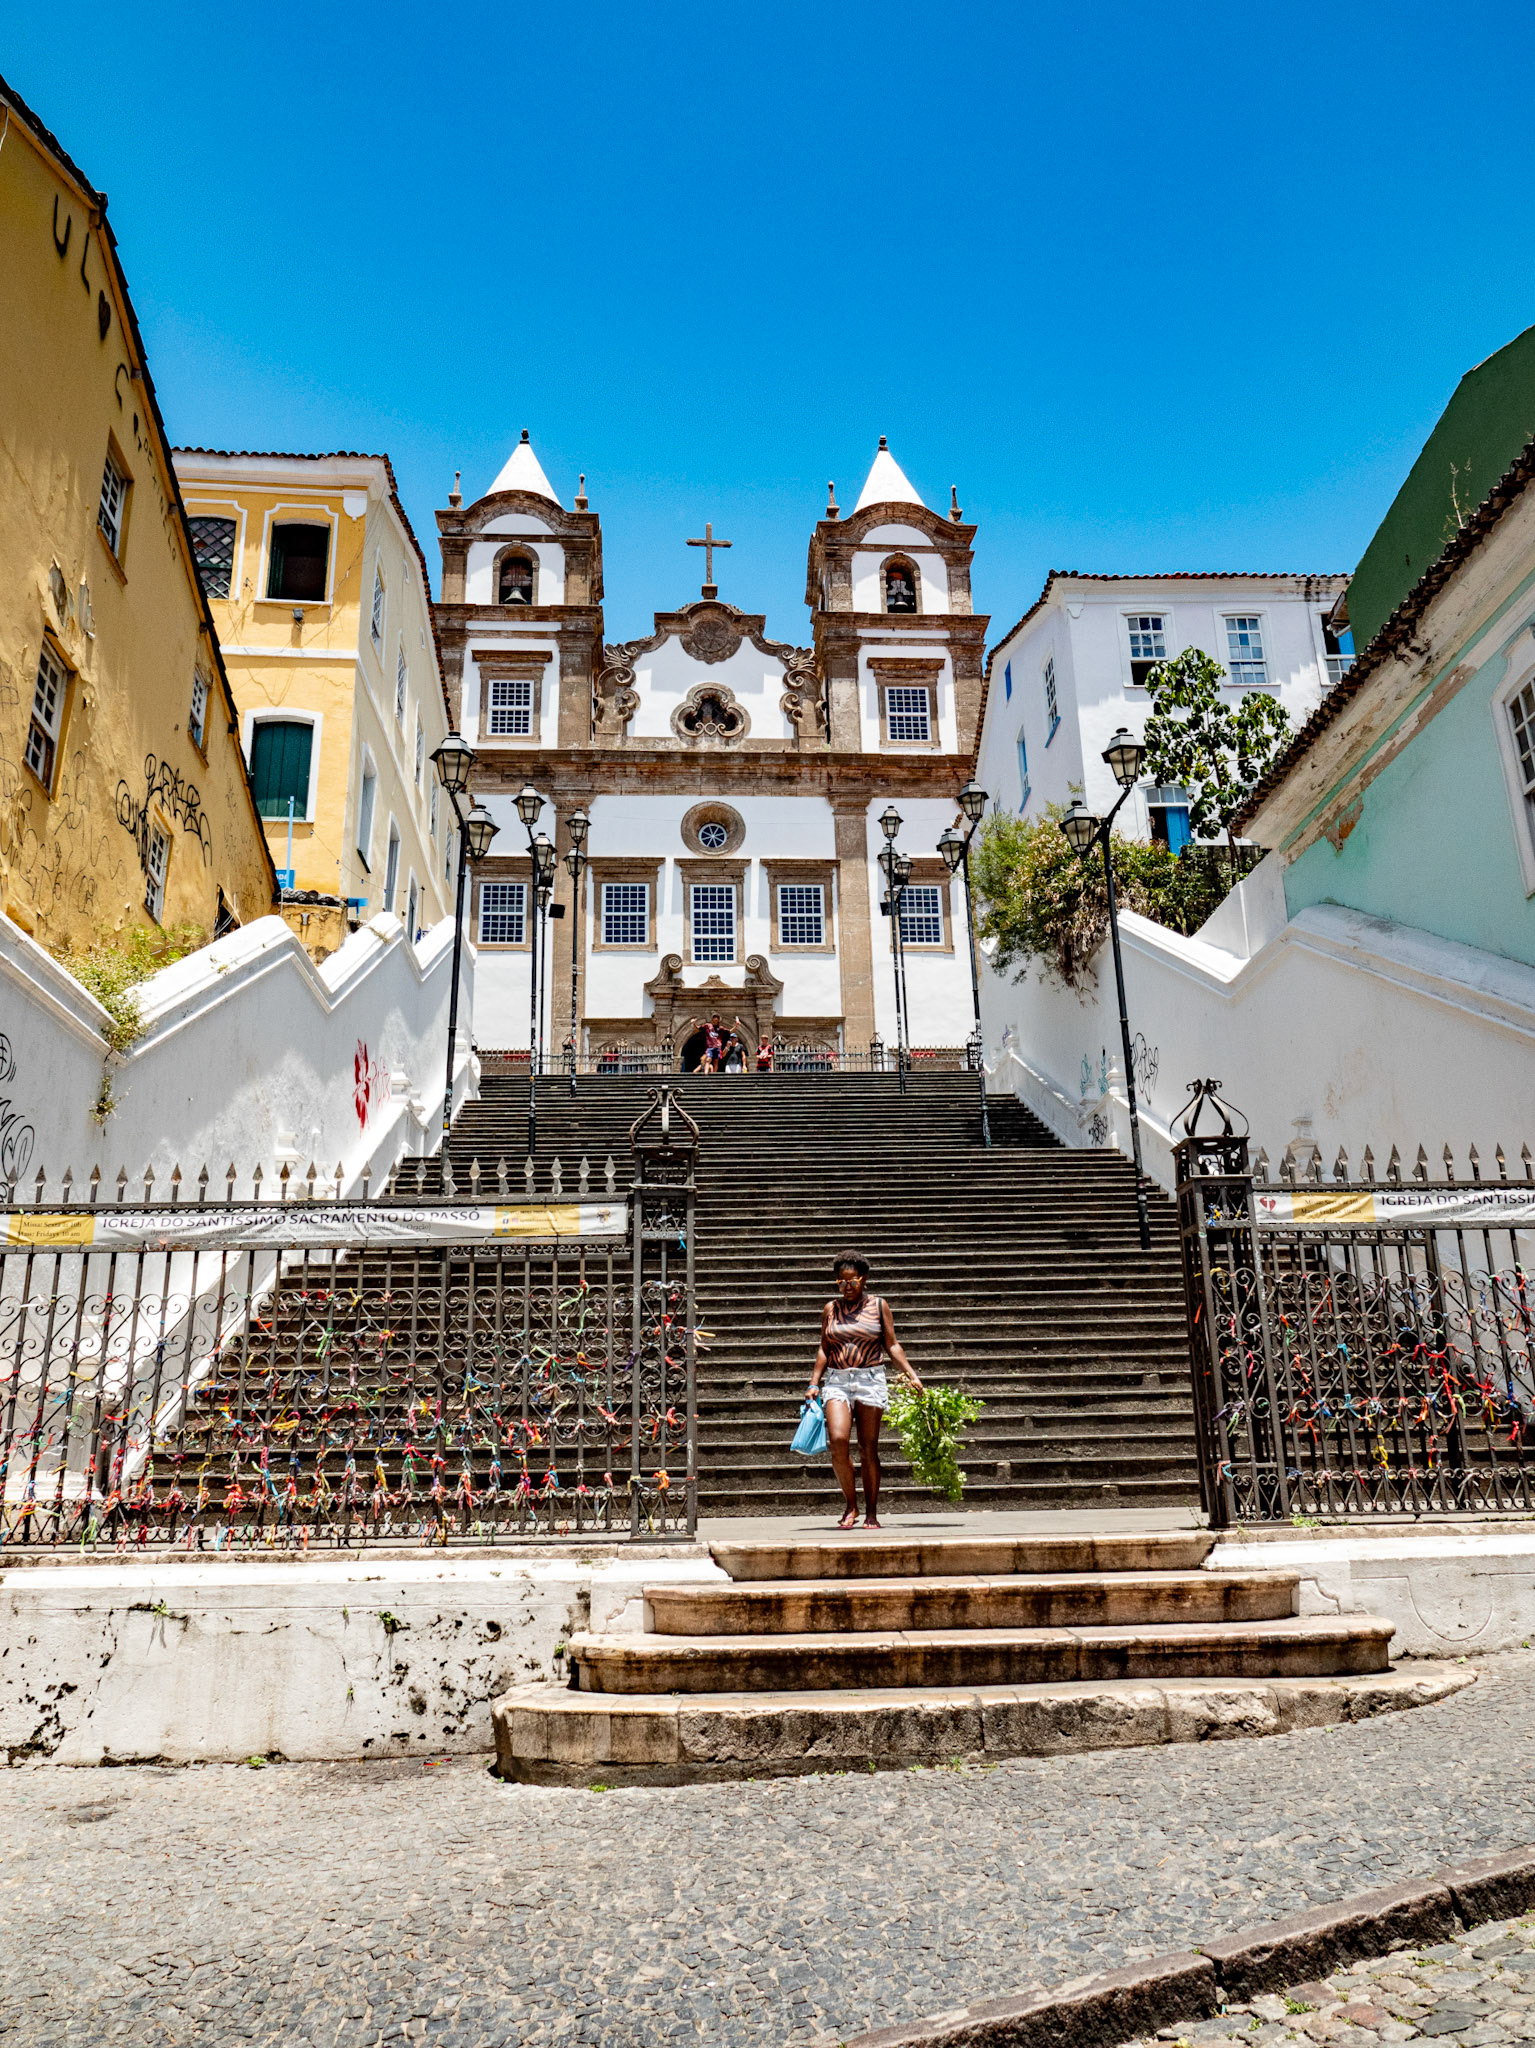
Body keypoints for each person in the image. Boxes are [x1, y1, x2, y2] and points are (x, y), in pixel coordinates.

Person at [806, 1251, 922, 1529]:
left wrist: (911, 1375)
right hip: (837, 1380)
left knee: (868, 1448)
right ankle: (851, 1504)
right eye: (841, 1282)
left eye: (852, 1281)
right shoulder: (830, 1309)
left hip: (870, 1378)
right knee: (838, 1441)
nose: (847, 1287)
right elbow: (824, 1347)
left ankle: (871, 1512)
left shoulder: (879, 1306)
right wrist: (813, 1382)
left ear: (864, 1279)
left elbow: (891, 1344)